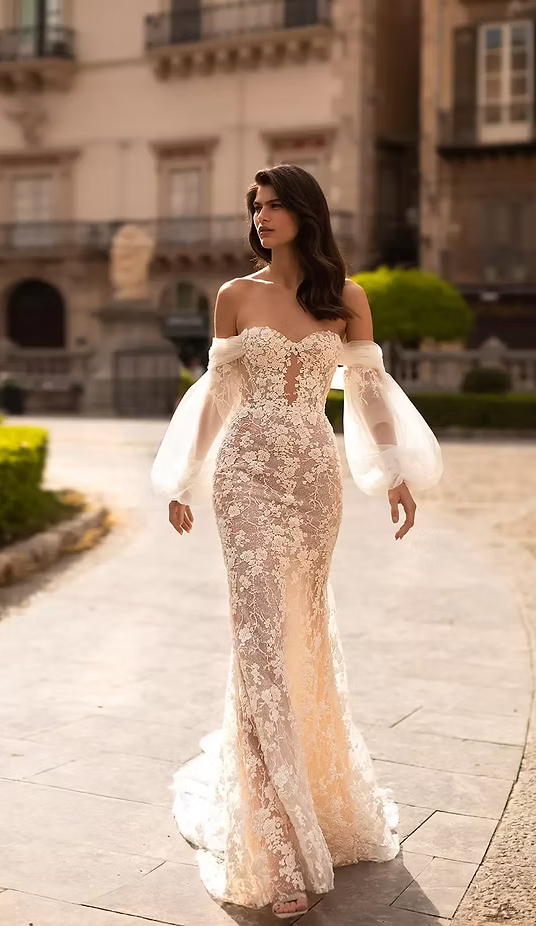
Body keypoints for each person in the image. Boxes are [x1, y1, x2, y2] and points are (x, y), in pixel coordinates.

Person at [151, 164, 443, 919]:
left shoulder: (345, 298)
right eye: (256, 207)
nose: (263, 217)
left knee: (300, 636)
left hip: (314, 480)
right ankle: (272, 847)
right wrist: (183, 476)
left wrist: (394, 477)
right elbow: (217, 396)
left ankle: (309, 790)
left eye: (276, 205)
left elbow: (372, 394)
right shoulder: (234, 295)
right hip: (244, 474)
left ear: (306, 213)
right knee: (258, 646)